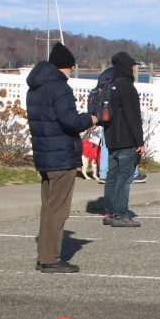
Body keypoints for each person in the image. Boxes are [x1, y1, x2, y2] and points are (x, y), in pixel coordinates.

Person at [25, 42, 95, 273]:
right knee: (58, 210)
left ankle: (44, 255)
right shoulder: (59, 88)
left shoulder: (35, 87)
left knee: (48, 208)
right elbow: (70, 121)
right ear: (65, 66)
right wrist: (90, 119)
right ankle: (50, 259)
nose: (71, 72)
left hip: (45, 154)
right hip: (61, 156)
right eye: (71, 67)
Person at [102, 51, 145, 228]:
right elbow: (133, 117)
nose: (134, 69)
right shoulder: (127, 87)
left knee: (111, 177)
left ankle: (109, 213)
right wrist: (140, 141)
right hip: (126, 140)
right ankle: (121, 215)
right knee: (124, 179)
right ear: (127, 67)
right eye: (132, 66)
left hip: (111, 139)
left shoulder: (109, 85)